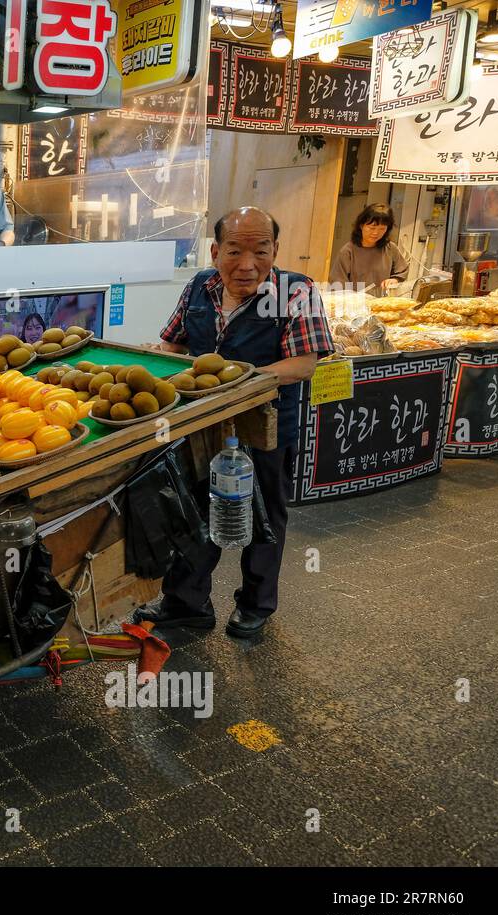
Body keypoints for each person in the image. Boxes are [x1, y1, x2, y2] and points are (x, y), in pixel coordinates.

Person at [135, 206, 333, 639]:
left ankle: (256, 604)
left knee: (264, 516)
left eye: (261, 251)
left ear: (275, 250)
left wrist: (237, 382)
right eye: (234, 251)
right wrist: (160, 365)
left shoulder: (295, 291)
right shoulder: (199, 287)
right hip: (202, 429)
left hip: (267, 426)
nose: (248, 265)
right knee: (193, 510)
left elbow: (303, 364)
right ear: (214, 251)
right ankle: (186, 602)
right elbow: (173, 343)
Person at [330, 203, 409, 295]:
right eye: (372, 228)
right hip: (356, 304)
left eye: (382, 229)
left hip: (382, 303)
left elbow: (402, 271)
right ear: (361, 225)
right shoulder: (348, 251)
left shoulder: (390, 248)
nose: (376, 233)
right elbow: (338, 284)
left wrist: (394, 280)